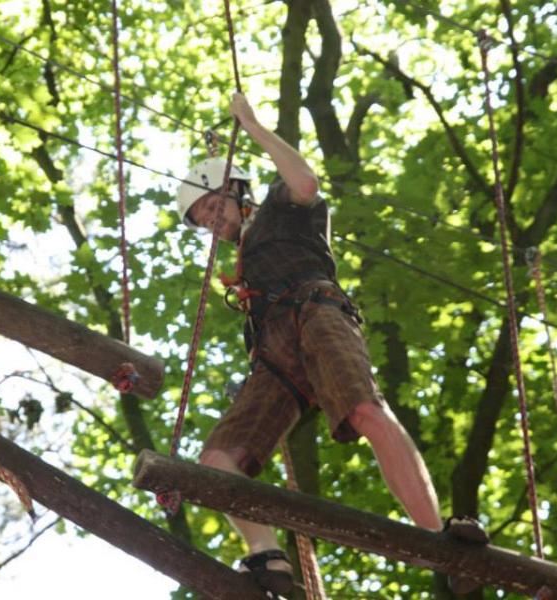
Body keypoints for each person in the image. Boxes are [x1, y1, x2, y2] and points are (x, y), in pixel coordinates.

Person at [176, 93, 486, 595]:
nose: (211, 219)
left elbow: (305, 182)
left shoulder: (279, 208)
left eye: (213, 205)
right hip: (275, 355)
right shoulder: (243, 266)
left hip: (316, 310)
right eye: (202, 218)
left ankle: (439, 540)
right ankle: (267, 555)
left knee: (363, 410)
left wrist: (251, 125)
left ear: (237, 192)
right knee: (215, 462)